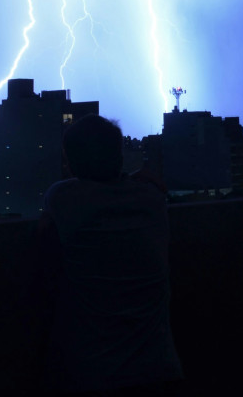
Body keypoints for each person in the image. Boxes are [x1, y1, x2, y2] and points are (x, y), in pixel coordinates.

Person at [36, 115, 184, 396]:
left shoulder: (62, 198)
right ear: (119, 156)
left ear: (71, 165)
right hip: (161, 370)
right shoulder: (152, 199)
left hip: (95, 374)